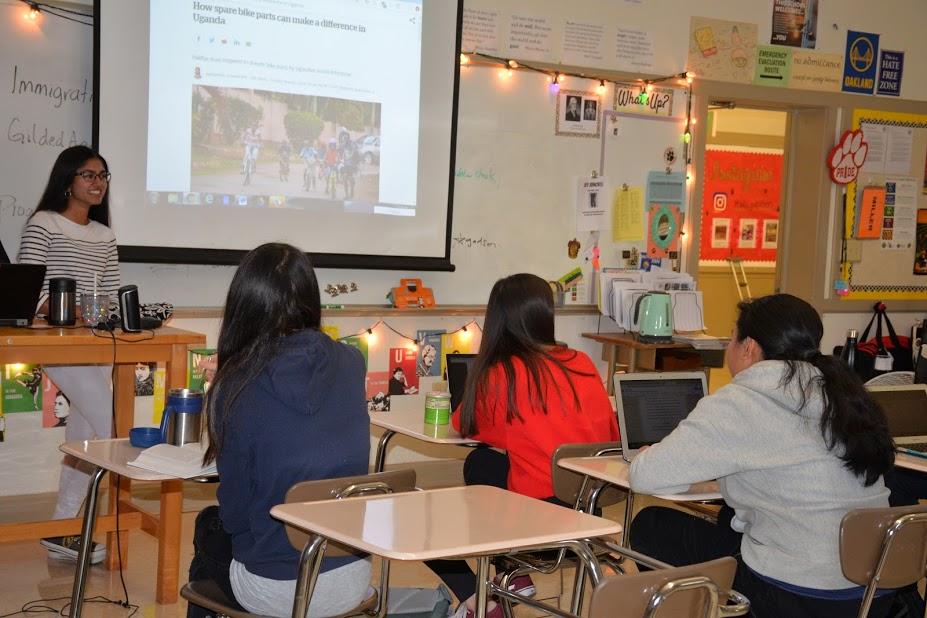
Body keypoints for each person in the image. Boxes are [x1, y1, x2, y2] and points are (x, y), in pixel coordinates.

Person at [628, 294, 896, 618]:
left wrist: (651, 454)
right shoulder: (841, 393)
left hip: (796, 593)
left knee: (652, 525)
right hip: (876, 586)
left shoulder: (742, 400)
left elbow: (644, 475)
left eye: (731, 338)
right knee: (730, 521)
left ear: (749, 347)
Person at [187, 243, 370, 618]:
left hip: (276, 590)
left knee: (208, 529)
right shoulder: (352, 363)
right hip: (354, 576)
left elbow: (236, 517)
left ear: (244, 306)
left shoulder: (235, 383)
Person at [429, 273, 619, 618]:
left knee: (478, 465)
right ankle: (511, 579)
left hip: (537, 530)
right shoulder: (583, 363)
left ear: (498, 321)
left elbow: (465, 426)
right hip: (589, 518)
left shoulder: (503, 375)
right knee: (498, 465)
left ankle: (498, 585)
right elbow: (608, 431)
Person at [18, 145, 118, 565]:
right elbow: (29, 284)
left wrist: (107, 312)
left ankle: (63, 530)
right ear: (68, 180)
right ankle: (66, 528)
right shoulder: (44, 223)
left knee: (84, 433)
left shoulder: (106, 234)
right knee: (110, 423)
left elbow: (111, 293)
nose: (98, 183)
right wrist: (62, 307)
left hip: (98, 344)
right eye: (88, 175)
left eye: (103, 176)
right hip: (59, 342)